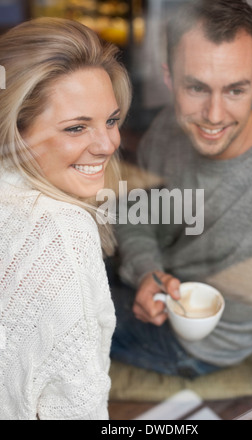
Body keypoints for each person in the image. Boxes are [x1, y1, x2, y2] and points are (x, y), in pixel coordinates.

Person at [111, 0, 252, 379]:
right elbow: (137, 215)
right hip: (160, 283)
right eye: (196, 87)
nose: (214, 116)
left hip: (204, 346)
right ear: (169, 78)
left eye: (235, 90)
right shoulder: (166, 129)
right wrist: (147, 270)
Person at [0, 17, 131, 420]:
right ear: (15, 131)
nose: (109, 143)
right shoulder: (61, 231)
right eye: (77, 128)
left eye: (111, 120)